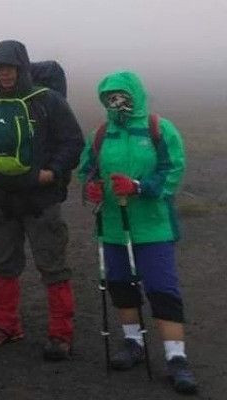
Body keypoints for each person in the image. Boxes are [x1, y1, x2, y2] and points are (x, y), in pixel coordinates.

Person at [0, 40, 84, 360]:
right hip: (0, 199)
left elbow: (73, 143)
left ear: (22, 67)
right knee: (2, 263)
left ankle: (61, 333)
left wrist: (52, 172)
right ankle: (5, 325)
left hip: (40, 199)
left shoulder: (48, 101)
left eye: (9, 67)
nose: (3, 73)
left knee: (52, 265)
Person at [79, 70, 197, 394]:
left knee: (161, 288)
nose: (117, 102)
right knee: (119, 284)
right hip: (114, 226)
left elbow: (172, 168)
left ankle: (176, 358)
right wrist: (91, 187)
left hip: (153, 224)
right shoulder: (101, 133)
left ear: (136, 95)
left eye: (122, 95)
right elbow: (87, 167)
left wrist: (140, 187)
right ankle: (133, 343)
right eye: (110, 97)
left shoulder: (159, 129)